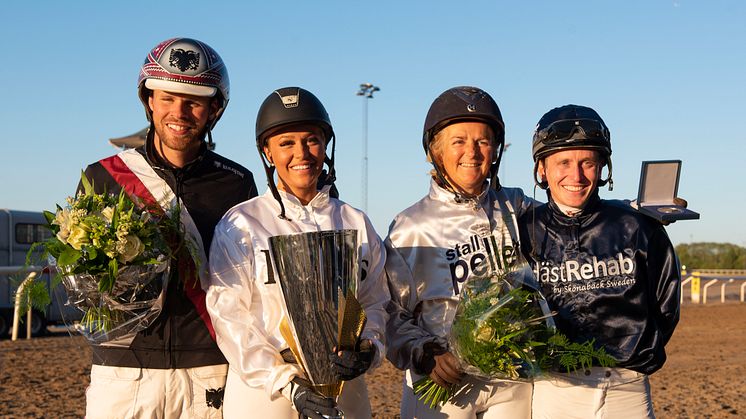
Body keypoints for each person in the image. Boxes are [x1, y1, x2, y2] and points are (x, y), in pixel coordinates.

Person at [80, 37, 258, 418]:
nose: (179, 111)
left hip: (208, 370)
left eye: (194, 101)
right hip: (123, 370)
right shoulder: (103, 176)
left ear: (214, 109)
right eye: (167, 98)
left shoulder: (238, 183)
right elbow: (84, 278)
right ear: (148, 100)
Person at [205, 87, 389, 418]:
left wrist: (369, 349)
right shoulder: (241, 224)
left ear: (325, 144)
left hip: (344, 388)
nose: (302, 153)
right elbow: (230, 317)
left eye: (311, 140)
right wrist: (285, 381)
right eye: (286, 143)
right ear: (267, 153)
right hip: (268, 394)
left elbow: (375, 301)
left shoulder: (356, 221)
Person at [518, 104, 681, 418]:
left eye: (587, 162)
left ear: (603, 166)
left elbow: (666, 305)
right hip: (556, 393)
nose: (576, 175)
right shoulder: (523, 231)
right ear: (542, 169)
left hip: (627, 392)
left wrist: (637, 352)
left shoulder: (638, 226)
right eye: (563, 162)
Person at [385, 86, 534, 418]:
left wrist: (637, 211)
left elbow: (573, 216)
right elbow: (390, 313)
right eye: (458, 141)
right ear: (434, 151)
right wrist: (426, 353)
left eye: (483, 141)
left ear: (496, 149)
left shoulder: (516, 207)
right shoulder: (410, 226)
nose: (473, 152)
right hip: (441, 381)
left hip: (511, 381)